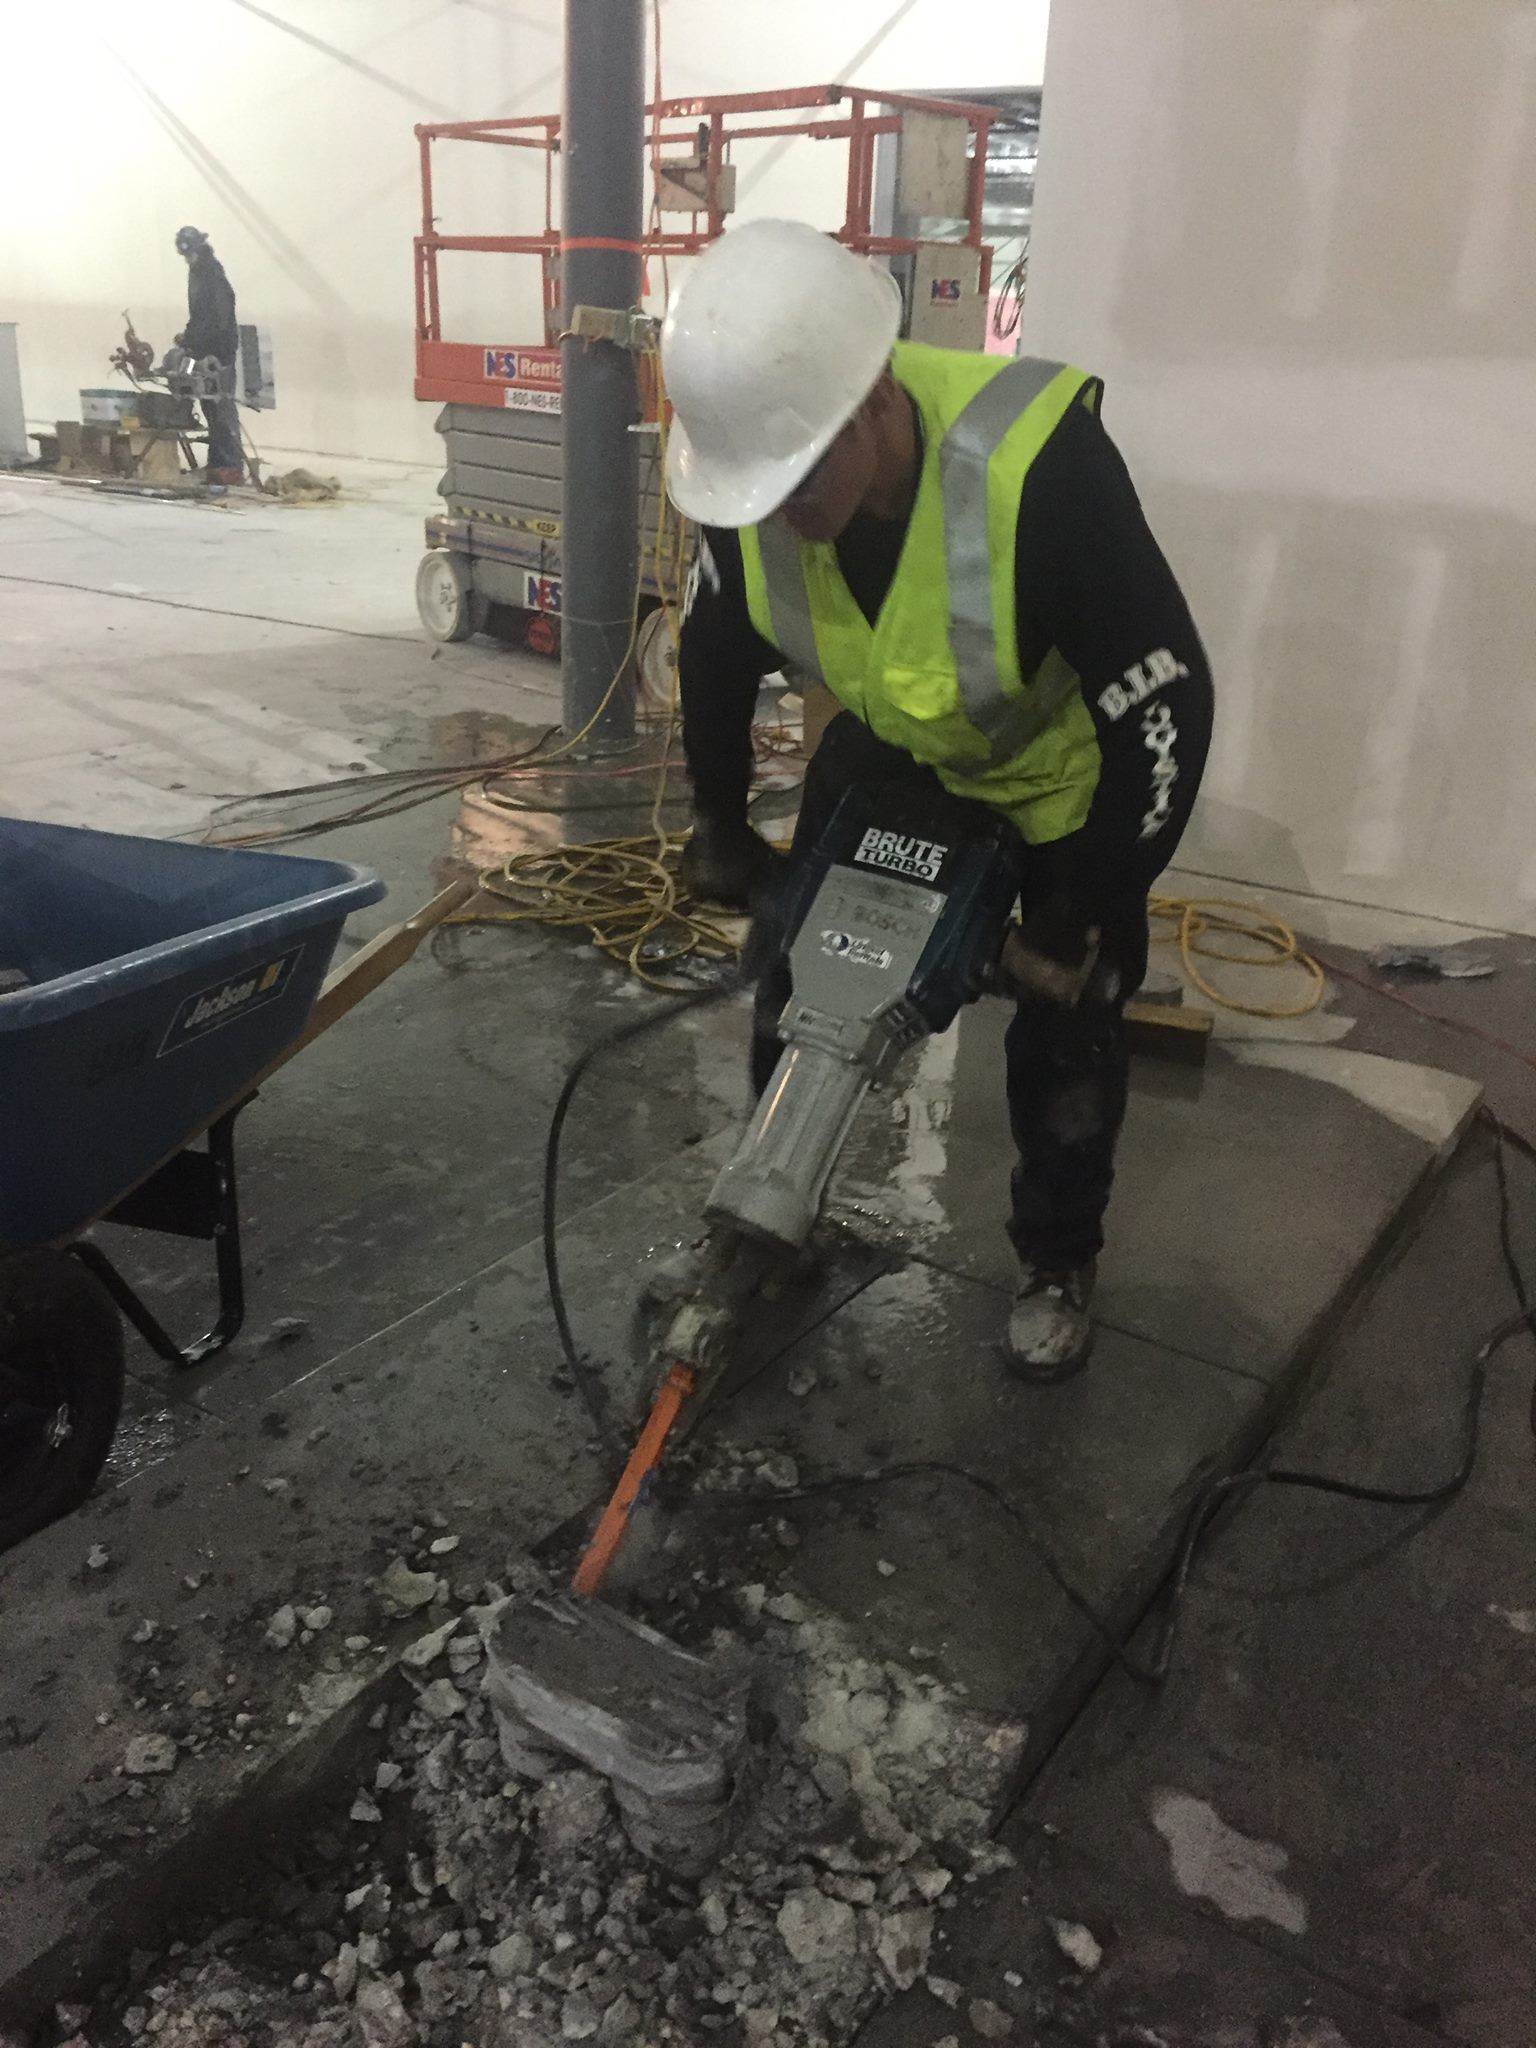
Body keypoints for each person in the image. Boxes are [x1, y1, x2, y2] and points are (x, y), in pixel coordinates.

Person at [661, 219, 1213, 1379]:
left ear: (870, 399)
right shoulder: (757, 469)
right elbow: (714, 647)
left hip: (1053, 771)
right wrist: (717, 817)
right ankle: (773, 1208)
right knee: (800, 975)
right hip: (900, 742)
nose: (773, 517)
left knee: (1068, 1038)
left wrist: (1086, 912)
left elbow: (1166, 697)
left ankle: (1058, 1255)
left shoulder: (1037, 472)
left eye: (795, 484)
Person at [174, 226, 242, 483]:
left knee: (221, 407)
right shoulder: (197, 273)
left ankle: (231, 465)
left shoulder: (212, 274)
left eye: (189, 252)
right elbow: (198, 316)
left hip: (219, 353)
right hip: (203, 350)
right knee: (209, 406)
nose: (187, 257)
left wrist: (203, 344)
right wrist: (187, 338)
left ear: (198, 248)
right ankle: (218, 462)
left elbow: (218, 319)